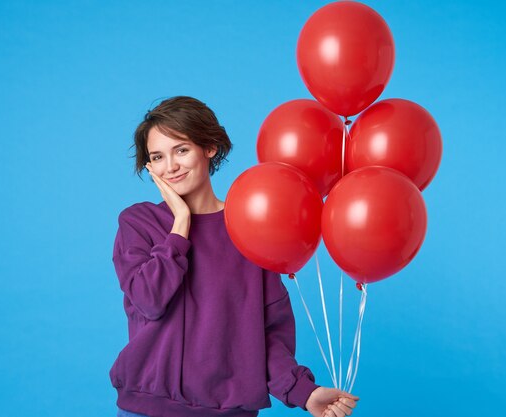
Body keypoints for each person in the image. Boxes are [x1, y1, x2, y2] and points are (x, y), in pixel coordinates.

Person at [110, 96, 359, 417]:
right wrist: (181, 224)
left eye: (181, 150)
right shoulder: (139, 223)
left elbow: (267, 334)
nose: (170, 166)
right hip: (146, 410)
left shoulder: (250, 228)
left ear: (209, 147)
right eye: (157, 157)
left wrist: (304, 393)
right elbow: (149, 300)